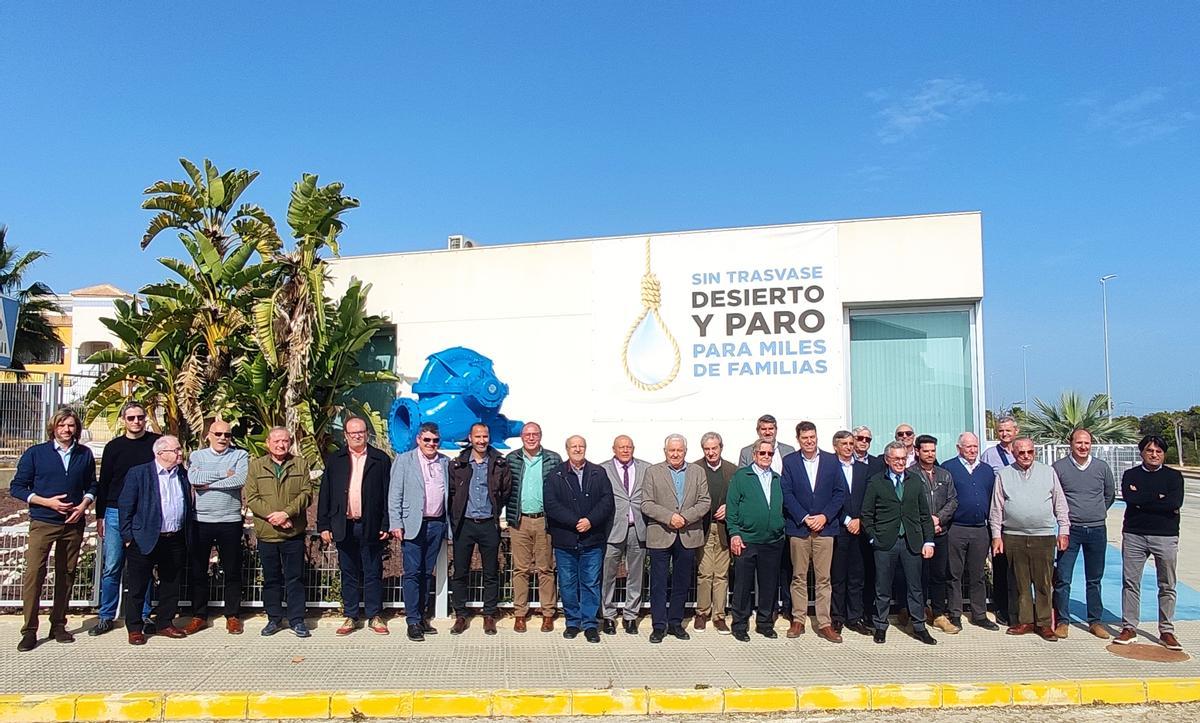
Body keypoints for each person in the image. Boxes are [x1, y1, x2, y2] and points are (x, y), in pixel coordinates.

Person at [11, 407, 96, 652]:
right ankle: (29, 630)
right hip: (43, 521)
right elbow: (18, 487)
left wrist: (84, 504)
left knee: (66, 573)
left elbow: (92, 484)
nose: (66, 430)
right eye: (62, 425)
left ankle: (58, 624)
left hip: (73, 523)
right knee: (34, 574)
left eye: (70, 425)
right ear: (53, 428)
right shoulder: (36, 454)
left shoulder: (84, 454)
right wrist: (46, 502)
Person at [988, 437, 1069, 642]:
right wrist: (996, 536)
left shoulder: (1048, 472)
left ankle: (1043, 624)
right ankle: (1024, 621)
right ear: (1013, 453)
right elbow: (996, 508)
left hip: (1043, 535)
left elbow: (1060, 504)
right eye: (1021, 452)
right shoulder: (1004, 475)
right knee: (1018, 582)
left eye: (1029, 452)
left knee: (1043, 582)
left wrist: (1064, 530)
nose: (1026, 456)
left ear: (1035, 452)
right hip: (1013, 536)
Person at [318, 418, 392, 636]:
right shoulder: (336, 460)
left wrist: (386, 523)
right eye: (353, 433)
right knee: (348, 572)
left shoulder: (380, 459)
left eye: (361, 432)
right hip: (344, 524)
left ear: (367, 433)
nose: (357, 436)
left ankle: (374, 615)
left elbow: (388, 494)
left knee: (372, 571)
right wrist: (324, 524)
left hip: (371, 525)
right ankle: (351, 615)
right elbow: (326, 494)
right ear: (346, 436)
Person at [91, 402, 159, 637]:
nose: (136, 422)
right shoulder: (113, 447)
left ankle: (143, 614)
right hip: (114, 512)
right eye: (131, 418)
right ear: (123, 420)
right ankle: (106, 615)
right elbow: (105, 482)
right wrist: (100, 514)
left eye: (140, 417)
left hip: (145, 512)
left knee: (143, 565)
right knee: (112, 566)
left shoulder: (154, 444)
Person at [118, 435, 192, 645]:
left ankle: (165, 623)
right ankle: (134, 628)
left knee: (171, 583)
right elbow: (126, 506)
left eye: (180, 449)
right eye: (176, 450)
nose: (180, 453)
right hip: (144, 538)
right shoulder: (139, 473)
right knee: (138, 585)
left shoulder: (182, 475)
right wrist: (128, 538)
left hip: (174, 537)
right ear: (160, 454)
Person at [1114, 435, 1186, 650]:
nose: (1154, 455)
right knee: (1130, 582)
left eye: (1158, 451)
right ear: (1142, 453)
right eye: (1149, 451)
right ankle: (1129, 627)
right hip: (1135, 534)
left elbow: (1174, 503)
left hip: (1165, 536)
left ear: (1163, 454)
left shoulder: (1174, 477)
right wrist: (1158, 498)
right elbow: (1131, 499)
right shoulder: (1131, 475)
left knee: (1167, 584)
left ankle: (1166, 630)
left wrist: (1145, 499)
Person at [861, 441, 937, 645]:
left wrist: (929, 541)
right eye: (896, 459)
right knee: (882, 587)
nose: (900, 462)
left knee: (915, 587)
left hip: (912, 542)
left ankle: (919, 626)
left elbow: (924, 514)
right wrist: (872, 538)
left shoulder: (915, 481)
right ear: (887, 460)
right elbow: (867, 515)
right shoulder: (877, 482)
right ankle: (880, 626)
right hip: (885, 543)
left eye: (903, 458)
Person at [543, 436, 614, 642]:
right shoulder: (556, 474)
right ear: (566, 449)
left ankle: (590, 624)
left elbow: (606, 500)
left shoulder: (598, 473)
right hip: (566, 539)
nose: (577, 449)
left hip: (592, 539)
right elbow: (551, 504)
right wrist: (575, 521)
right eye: (573, 446)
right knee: (567, 583)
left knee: (591, 582)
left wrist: (590, 521)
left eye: (581, 446)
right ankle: (572, 622)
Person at [245, 426, 314, 638]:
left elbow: (306, 494)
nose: (281, 445)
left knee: (295, 578)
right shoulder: (256, 466)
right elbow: (252, 497)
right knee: (271, 578)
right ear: (268, 443)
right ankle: (274, 618)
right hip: (267, 533)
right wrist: (273, 516)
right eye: (276, 441)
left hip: (292, 532)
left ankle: (296, 620)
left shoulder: (299, 464)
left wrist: (286, 514)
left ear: (290, 442)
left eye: (285, 441)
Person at [183, 420, 249, 636]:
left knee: (232, 570)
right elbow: (193, 478)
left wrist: (208, 483)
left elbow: (239, 480)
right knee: (198, 570)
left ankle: (232, 615)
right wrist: (224, 474)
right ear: (208, 435)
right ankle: (199, 615)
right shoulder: (197, 455)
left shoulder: (239, 455)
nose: (223, 438)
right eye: (218, 434)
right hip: (201, 520)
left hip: (230, 520)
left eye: (227, 435)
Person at [642, 434, 710, 643]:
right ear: (665, 451)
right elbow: (646, 503)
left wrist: (685, 518)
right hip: (661, 533)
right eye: (671, 450)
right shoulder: (652, 472)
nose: (675, 454)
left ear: (685, 452)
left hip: (688, 534)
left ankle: (675, 623)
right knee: (659, 583)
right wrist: (670, 517)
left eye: (679, 450)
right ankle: (659, 626)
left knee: (682, 583)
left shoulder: (697, 472)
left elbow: (705, 501)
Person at [781, 421, 845, 642]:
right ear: (798, 439)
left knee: (823, 578)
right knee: (798, 576)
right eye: (805, 438)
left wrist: (824, 516)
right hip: (799, 528)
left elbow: (839, 493)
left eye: (812, 437)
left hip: (825, 528)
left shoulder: (831, 460)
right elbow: (786, 493)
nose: (809, 441)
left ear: (817, 437)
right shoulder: (789, 462)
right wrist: (804, 517)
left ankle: (824, 623)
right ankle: (798, 620)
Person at [1051, 428, 1116, 639]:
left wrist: (1095, 513)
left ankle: (1095, 621)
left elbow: (1109, 495)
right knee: (1063, 577)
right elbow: (1053, 498)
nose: (1083, 447)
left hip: (1097, 530)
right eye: (1079, 442)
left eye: (1087, 443)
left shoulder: (1102, 467)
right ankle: (1062, 621)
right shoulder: (1058, 468)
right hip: (1070, 531)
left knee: (1094, 578)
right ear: (1070, 443)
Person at [448, 423, 512, 635]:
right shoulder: (459, 463)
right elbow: (451, 492)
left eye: (485, 436)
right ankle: (460, 614)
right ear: (470, 437)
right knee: (460, 572)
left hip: (488, 524)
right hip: (464, 524)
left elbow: (504, 492)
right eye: (478, 436)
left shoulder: (499, 463)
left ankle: (489, 614)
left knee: (491, 572)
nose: (482, 440)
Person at [388, 422, 449, 641]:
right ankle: (412, 620)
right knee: (412, 572)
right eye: (427, 440)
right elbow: (395, 494)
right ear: (418, 440)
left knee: (426, 573)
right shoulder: (404, 461)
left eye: (435, 440)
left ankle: (422, 617)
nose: (431, 444)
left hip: (436, 524)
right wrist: (396, 522)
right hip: (412, 524)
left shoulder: (445, 462)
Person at [504, 422, 562, 633]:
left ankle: (548, 613)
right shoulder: (511, 459)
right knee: (520, 569)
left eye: (535, 434)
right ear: (521, 436)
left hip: (544, 521)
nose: (531, 438)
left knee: (545, 568)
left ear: (540, 436)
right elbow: (505, 487)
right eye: (527, 434)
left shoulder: (553, 458)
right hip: (520, 520)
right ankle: (520, 613)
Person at [726, 438, 786, 642]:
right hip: (747, 539)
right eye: (762, 453)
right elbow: (732, 507)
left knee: (769, 584)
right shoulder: (742, 476)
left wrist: (780, 527)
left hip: (772, 540)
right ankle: (740, 624)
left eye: (769, 454)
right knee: (743, 584)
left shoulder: (777, 478)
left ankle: (765, 623)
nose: (766, 457)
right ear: (754, 455)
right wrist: (734, 533)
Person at [737, 415, 796, 623]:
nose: (768, 432)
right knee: (750, 578)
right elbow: (740, 492)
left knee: (781, 570)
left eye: (771, 428)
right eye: (764, 428)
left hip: (781, 522)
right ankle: (747, 620)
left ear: (776, 429)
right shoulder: (745, 456)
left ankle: (782, 610)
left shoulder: (789, 452)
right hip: (753, 531)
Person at [942, 432, 999, 630]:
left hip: (980, 529)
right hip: (956, 529)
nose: (972, 450)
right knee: (954, 574)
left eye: (975, 446)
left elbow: (993, 499)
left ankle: (979, 614)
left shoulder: (986, 470)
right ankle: (955, 613)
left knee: (978, 575)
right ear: (959, 448)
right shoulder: (948, 468)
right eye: (968, 447)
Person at [600, 435, 651, 634]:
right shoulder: (602, 469)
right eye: (621, 447)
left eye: (628, 447)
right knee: (608, 574)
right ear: (614, 449)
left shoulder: (646, 468)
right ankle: (608, 616)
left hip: (637, 528)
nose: (625, 450)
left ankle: (631, 615)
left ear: (633, 448)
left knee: (636, 574)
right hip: (612, 529)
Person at [911, 434, 958, 634]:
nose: (930, 454)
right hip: (919, 535)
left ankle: (938, 614)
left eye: (933, 451)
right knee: (918, 576)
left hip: (940, 532)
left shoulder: (944, 474)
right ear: (917, 451)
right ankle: (919, 613)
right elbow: (908, 503)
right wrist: (925, 524)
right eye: (926, 451)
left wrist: (938, 519)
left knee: (939, 575)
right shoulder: (910, 474)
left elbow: (953, 501)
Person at [829, 430, 871, 636]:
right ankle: (837, 617)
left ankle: (855, 617)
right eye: (844, 443)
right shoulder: (828, 468)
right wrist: (846, 520)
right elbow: (828, 498)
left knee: (857, 576)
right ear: (835, 446)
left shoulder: (864, 469)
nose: (848, 446)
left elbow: (870, 497)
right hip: (838, 527)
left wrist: (860, 520)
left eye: (850, 443)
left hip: (859, 529)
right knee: (838, 576)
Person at [693, 431, 736, 633]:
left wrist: (729, 507)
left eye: (714, 448)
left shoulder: (732, 470)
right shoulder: (695, 469)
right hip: (702, 528)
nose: (711, 452)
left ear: (721, 447)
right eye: (707, 449)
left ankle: (719, 615)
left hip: (723, 529)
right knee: (704, 572)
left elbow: (738, 498)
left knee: (721, 574)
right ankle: (702, 612)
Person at [981, 414, 1020, 625]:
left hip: (1020, 521)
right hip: (998, 521)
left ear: (1016, 431)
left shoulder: (1023, 452)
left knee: (1021, 567)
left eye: (1008, 430)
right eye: (1001, 431)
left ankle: (1021, 607)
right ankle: (1002, 608)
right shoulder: (989, 455)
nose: (1004, 434)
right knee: (1001, 566)